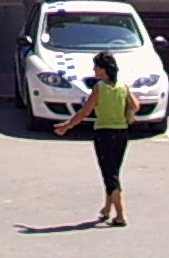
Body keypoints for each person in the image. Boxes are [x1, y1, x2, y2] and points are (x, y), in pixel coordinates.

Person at [54, 51, 133, 225]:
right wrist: (128, 115)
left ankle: (120, 215)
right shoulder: (122, 86)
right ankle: (107, 208)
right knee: (113, 171)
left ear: (103, 70)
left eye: (96, 67)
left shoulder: (99, 88)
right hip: (122, 133)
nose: (94, 70)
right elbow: (135, 104)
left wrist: (67, 125)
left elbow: (85, 111)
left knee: (109, 174)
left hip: (104, 133)